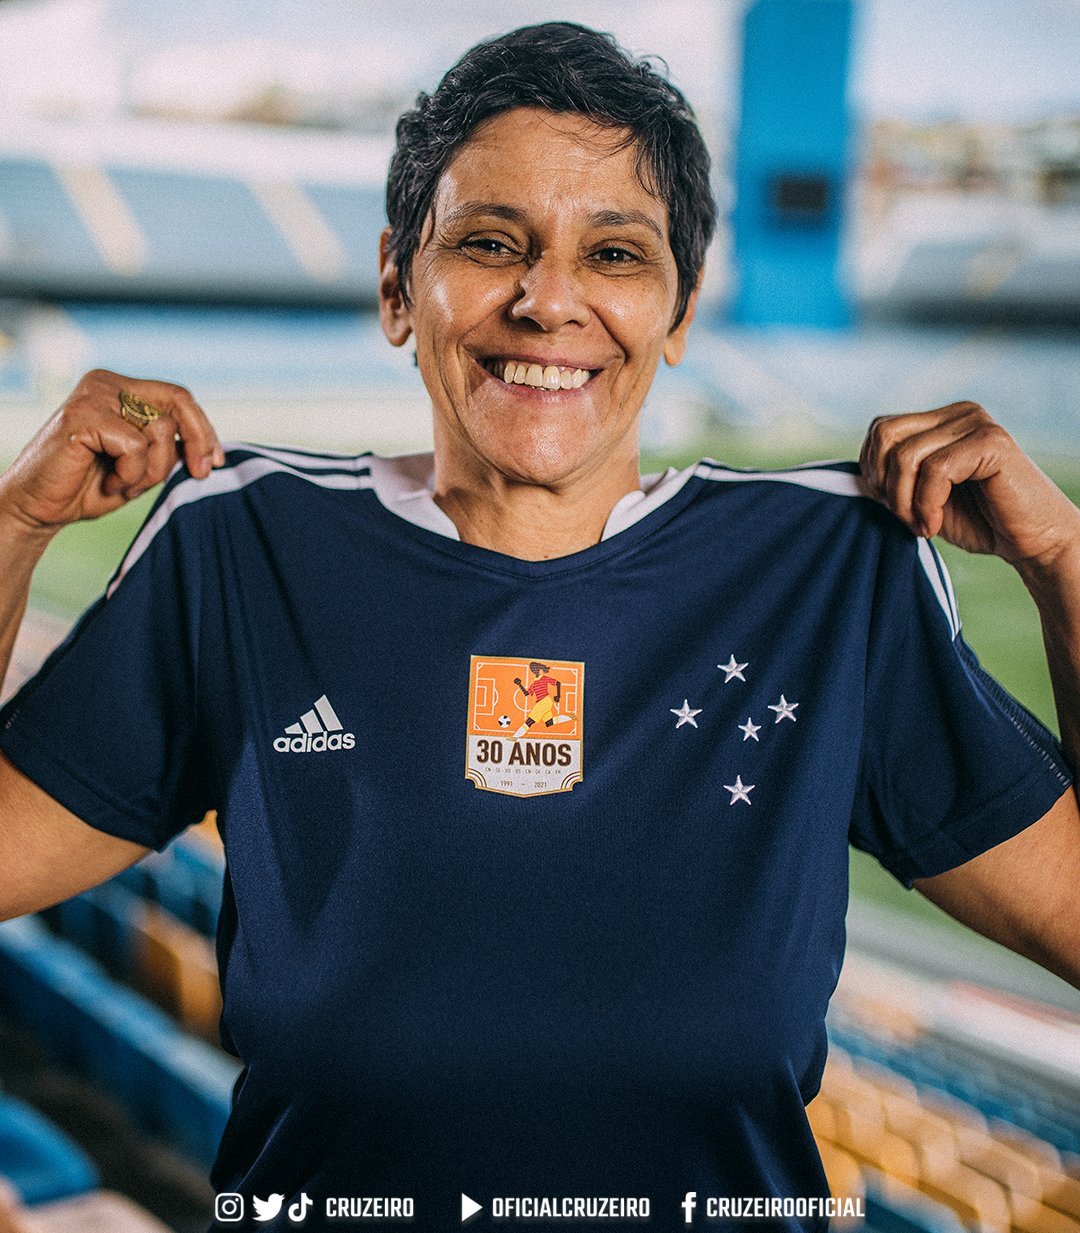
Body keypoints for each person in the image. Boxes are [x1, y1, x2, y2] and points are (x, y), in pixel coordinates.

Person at [0, 20, 1078, 1232]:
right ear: (398, 287)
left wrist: (1064, 562)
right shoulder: (239, 546)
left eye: (615, 253)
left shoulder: (832, 571)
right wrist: (13, 525)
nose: (548, 300)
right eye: (488, 242)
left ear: (677, 314)